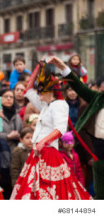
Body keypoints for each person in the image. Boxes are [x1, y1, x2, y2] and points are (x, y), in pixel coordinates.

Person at [10, 59, 92, 200]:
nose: (38, 93)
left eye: (41, 90)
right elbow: (28, 90)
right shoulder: (45, 105)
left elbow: (60, 129)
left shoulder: (59, 104)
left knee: (49, 188)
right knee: (35, 188)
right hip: (38, 151)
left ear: (50, 91)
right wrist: (37, 68)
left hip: (48, 151)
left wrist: (43, 143)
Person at [49, 56, 104, 199]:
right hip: (99, 151)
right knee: (100, 194)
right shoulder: (97, 99)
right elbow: (79, 87)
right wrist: (62, 67)